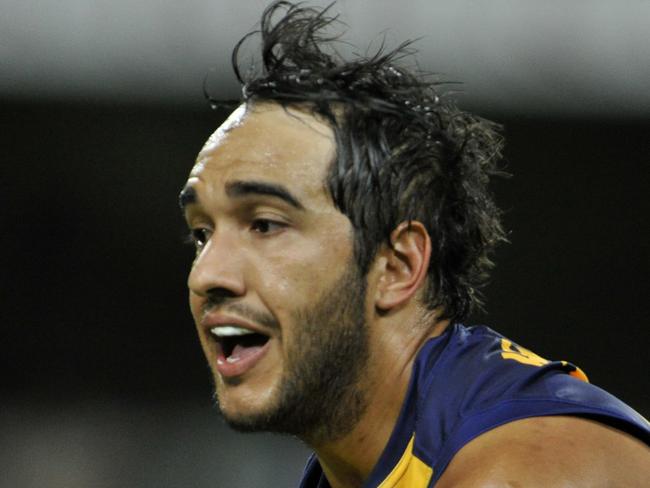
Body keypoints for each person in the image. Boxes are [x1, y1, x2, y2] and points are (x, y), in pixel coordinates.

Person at [178, 2, 650, 486]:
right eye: (202, 233)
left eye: (265, 225)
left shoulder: (517, 467)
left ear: (398, 266)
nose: (207, 274)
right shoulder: (373, 458)